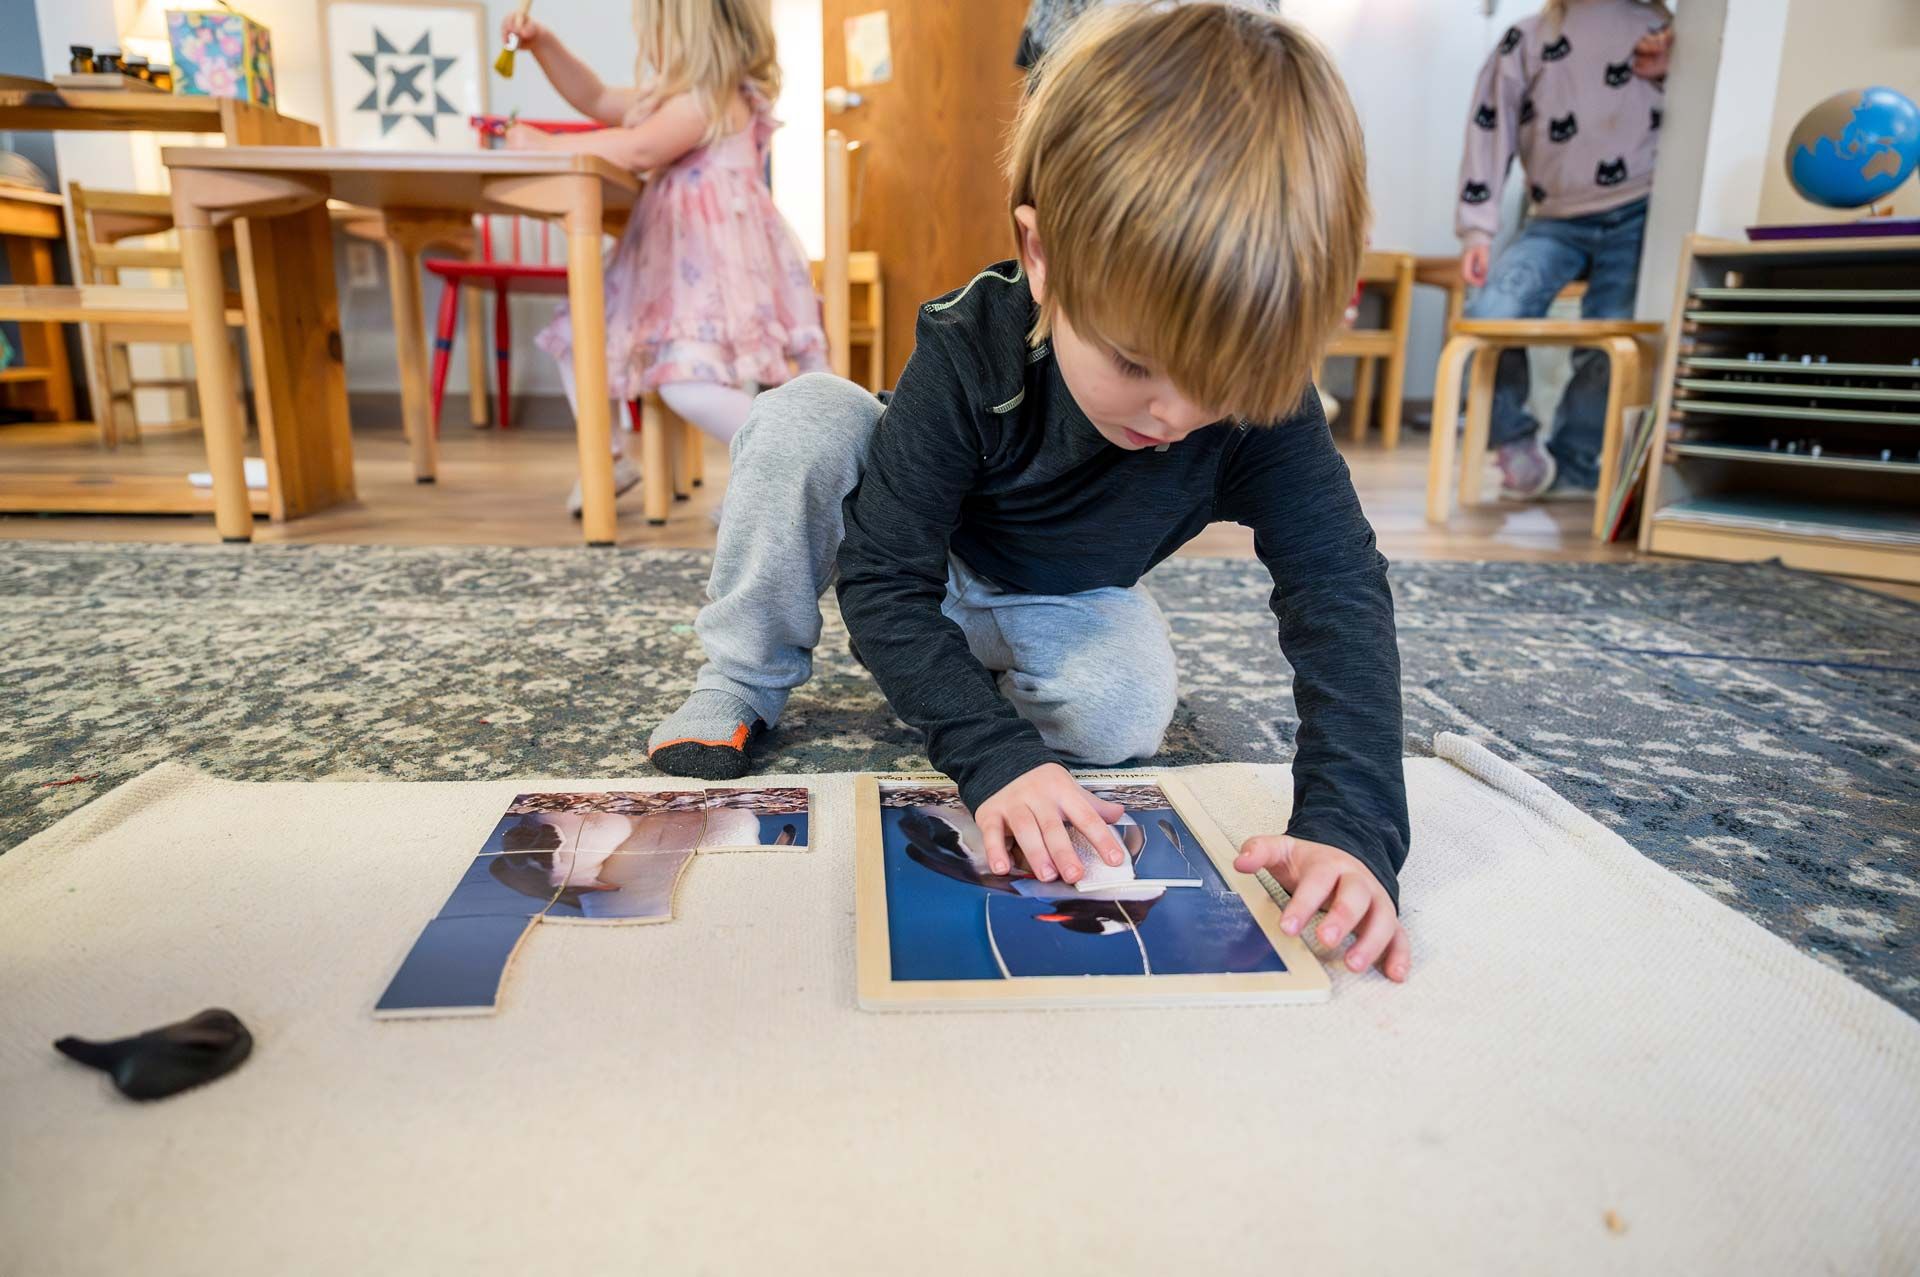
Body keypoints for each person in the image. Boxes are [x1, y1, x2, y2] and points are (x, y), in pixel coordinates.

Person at [650, 4, 1412, 981]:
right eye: (1134, 361)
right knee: (805, 413)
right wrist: (991, 756)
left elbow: (1341, 592)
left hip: (1056, 589)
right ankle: (740, 680)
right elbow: (882, 576)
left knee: (1124, 711)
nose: (1175, 412)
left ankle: (960, 677)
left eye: (1222, 380)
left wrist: (1353, 829)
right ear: (1043, 257)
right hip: (910, 546)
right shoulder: (972, 345)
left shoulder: (1266, 408)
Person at [499, 0, 828, 516]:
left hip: (706, 275)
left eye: (649, 30)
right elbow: (595, 95)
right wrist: (543, 44)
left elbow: (638, 152)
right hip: (666, 270)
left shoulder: (710, 99)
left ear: (683, 35)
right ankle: (607, 460)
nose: (644, 43)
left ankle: (789, 458)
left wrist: (544, 145)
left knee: (687, 385)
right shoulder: (675, 98)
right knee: (579, 341)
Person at [1455, 0, 1674, 499]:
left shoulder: (1663, 33)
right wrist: (1478, 230)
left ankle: (1577, 460)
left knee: (1614, 332)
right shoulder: (1526, 37)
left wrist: (1673, 69)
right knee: (1491, 312)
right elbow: (1489, 127)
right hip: (1552, 220)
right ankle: (1514, 441)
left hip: (1640, 213)